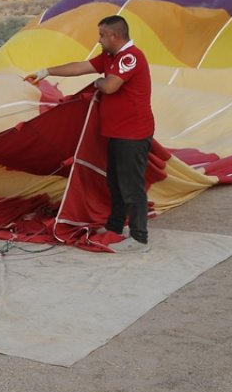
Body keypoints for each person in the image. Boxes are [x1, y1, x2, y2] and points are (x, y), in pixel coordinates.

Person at [28, 14, 154, 253]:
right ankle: (115, 227)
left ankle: (139, 237)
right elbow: (80, 67)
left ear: (115, 36)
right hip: (116, 132)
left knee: (131, 185)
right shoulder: (110, 56)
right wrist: (46, 71)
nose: (99, 40)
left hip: (132, 134)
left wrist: (97, 82)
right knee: (115, 183)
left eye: (102, 35)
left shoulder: (130, 57)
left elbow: (110, 86)